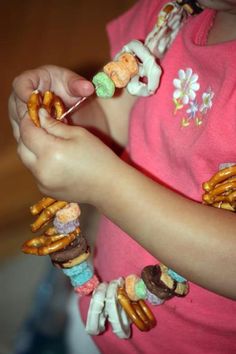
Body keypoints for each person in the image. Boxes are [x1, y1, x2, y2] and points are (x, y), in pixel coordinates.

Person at [8, 0, 236, 353]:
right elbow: (117, 123)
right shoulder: (172, 16)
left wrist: (108, 185)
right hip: (103, 307)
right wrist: (59, 121)